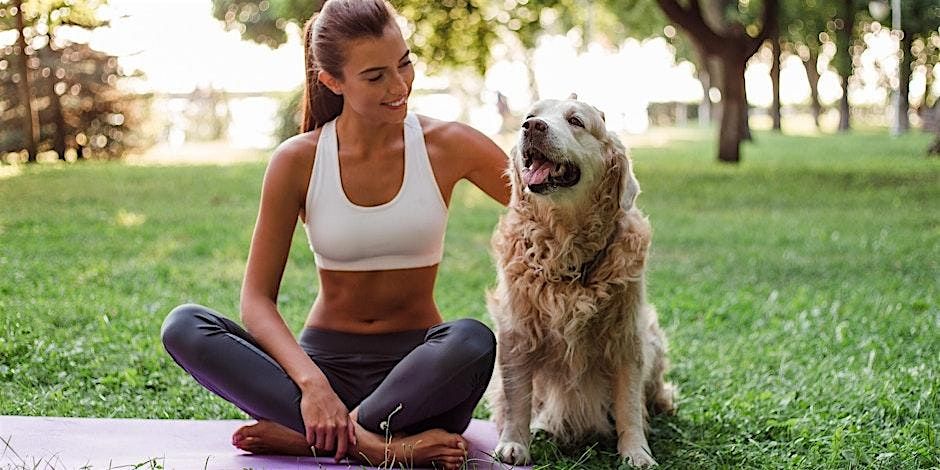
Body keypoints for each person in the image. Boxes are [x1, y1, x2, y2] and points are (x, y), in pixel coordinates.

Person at [159, 1, 510, 468]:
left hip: (421, 379)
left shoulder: (449, 144)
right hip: (323, 369)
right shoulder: (297, 160)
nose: (399, 85)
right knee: (184, 325)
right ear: (332, 81)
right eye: (375, 76)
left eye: (404, 63)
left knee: (471, 339)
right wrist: (312, 385)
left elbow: (544, 200)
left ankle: (313, 441)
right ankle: (375, 447)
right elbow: (256, 299)